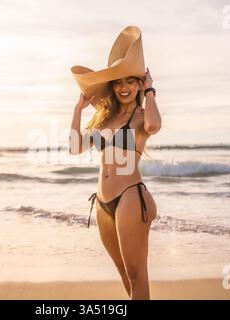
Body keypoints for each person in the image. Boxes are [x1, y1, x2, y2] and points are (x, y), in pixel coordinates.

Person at [69, 26, 162, 300]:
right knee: (124, 275)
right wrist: (78, 109)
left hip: (130, 198)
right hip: (102, 202)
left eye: (131, 82)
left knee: (137, 275)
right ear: (112, 86)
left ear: (139, 84)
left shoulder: (140, 118)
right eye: (119, 83)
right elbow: (74, 147)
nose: (124, 88)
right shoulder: (104, 119)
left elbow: (155, 125)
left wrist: (151, 91)